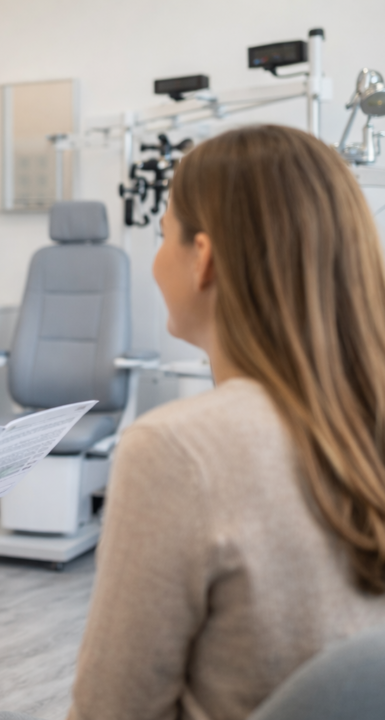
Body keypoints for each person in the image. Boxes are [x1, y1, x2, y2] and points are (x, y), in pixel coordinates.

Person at [67, 125, 385, 720]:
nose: (159, 260)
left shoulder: (174, 451)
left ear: (203, 257)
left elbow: (112, 711)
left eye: (164, 235)